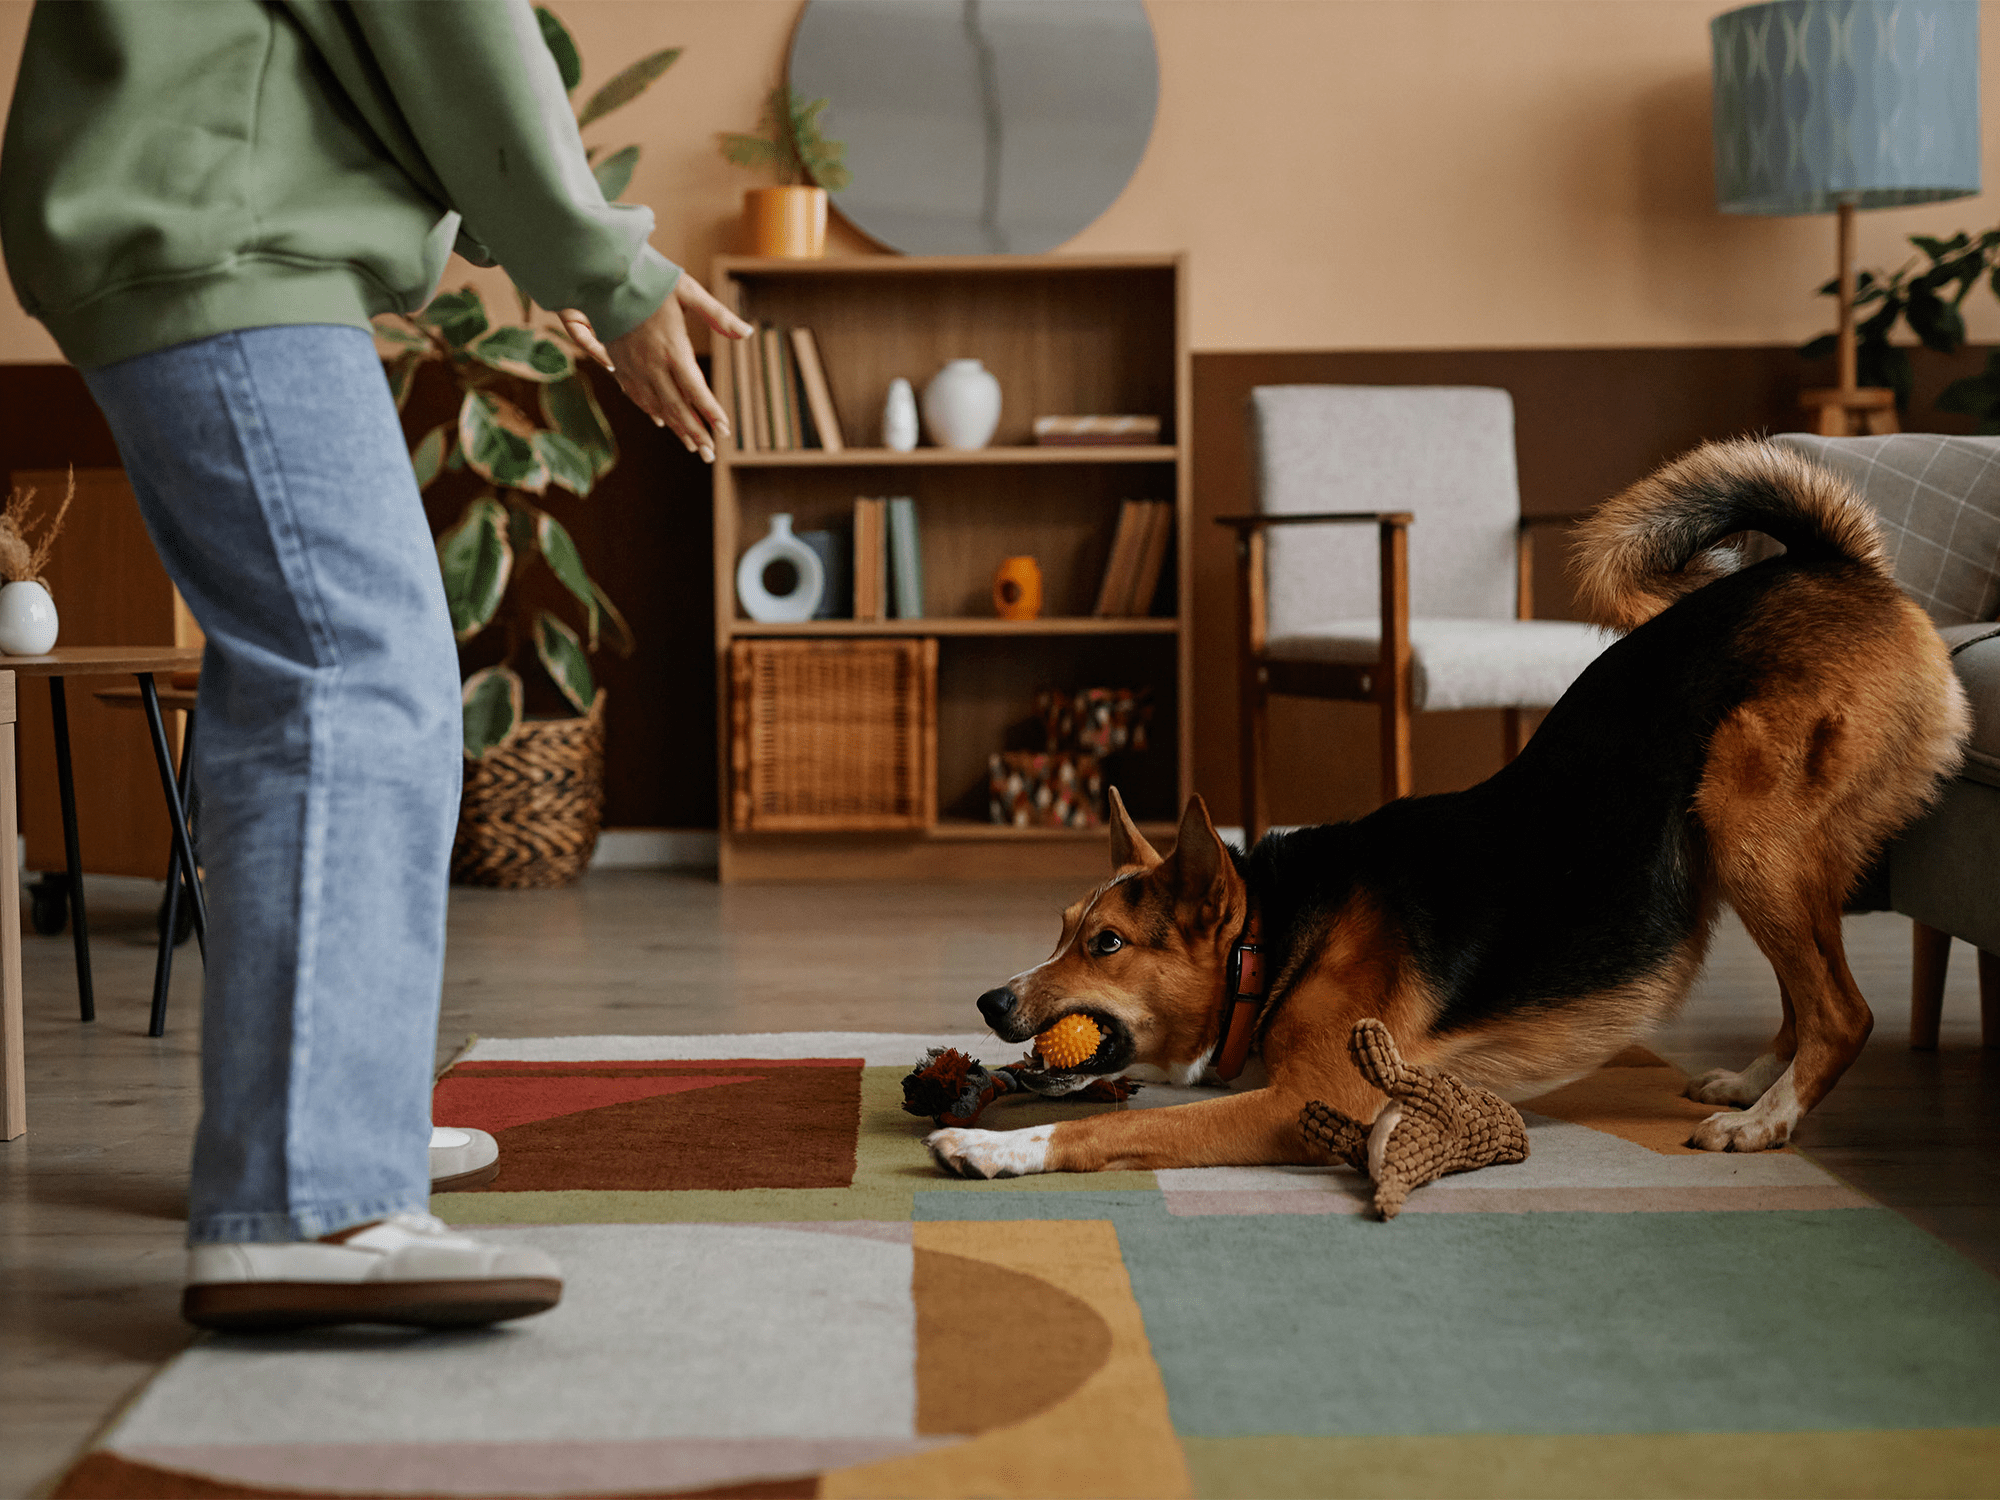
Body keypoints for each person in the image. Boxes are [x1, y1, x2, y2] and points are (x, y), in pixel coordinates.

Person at [0, 0, 751, 1330]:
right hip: (221, 231)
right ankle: (310, 1200)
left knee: (314, 672)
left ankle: (317, 1138)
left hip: (189, 216)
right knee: (351, 673)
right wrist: (606, 268)